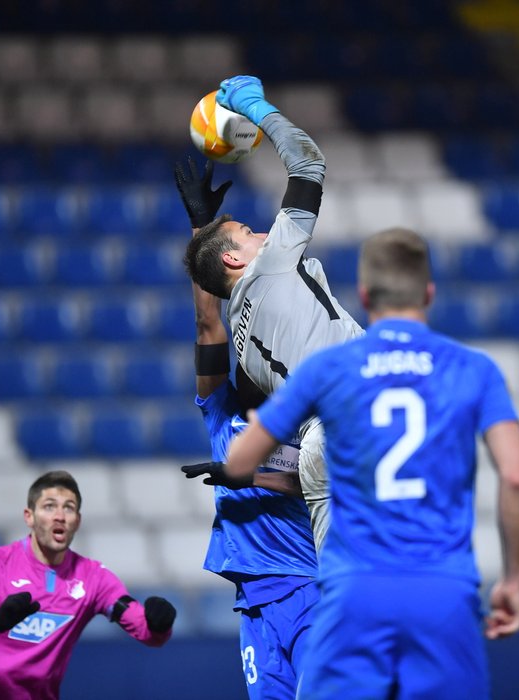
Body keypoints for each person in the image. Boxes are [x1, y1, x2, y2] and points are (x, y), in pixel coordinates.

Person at [224, 227, 519, 698]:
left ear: (365, 297)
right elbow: (513, 476)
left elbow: (240, 459)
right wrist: (511, 579)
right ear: (429, 294)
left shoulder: (330, 368)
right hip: (442, 589)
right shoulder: (473, 368)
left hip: (355, 590)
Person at [181, 75, 365, 551]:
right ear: (234, 259)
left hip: (319, 451)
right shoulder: (270, 266)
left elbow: (210, 324)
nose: (263, 232)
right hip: (361, 412)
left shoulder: (244, 349)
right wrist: (254, 105)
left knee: (343, 597)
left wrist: (204, 229)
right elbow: (308, 161)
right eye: (247, 231)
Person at [172, 157, 320, 700]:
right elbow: (208, 320)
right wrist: (202, 229)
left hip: (309, 584)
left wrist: (248, 477)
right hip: (255, 598)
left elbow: (324, 487)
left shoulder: (310, 425)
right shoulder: (221, 408)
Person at [0, 470, 176, 700]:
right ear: (29, 516)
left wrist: (159, 624)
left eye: (68, 508)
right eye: (49, 506)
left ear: (77, 521)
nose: (60, 515)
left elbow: (147, 633)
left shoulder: (95, 579)